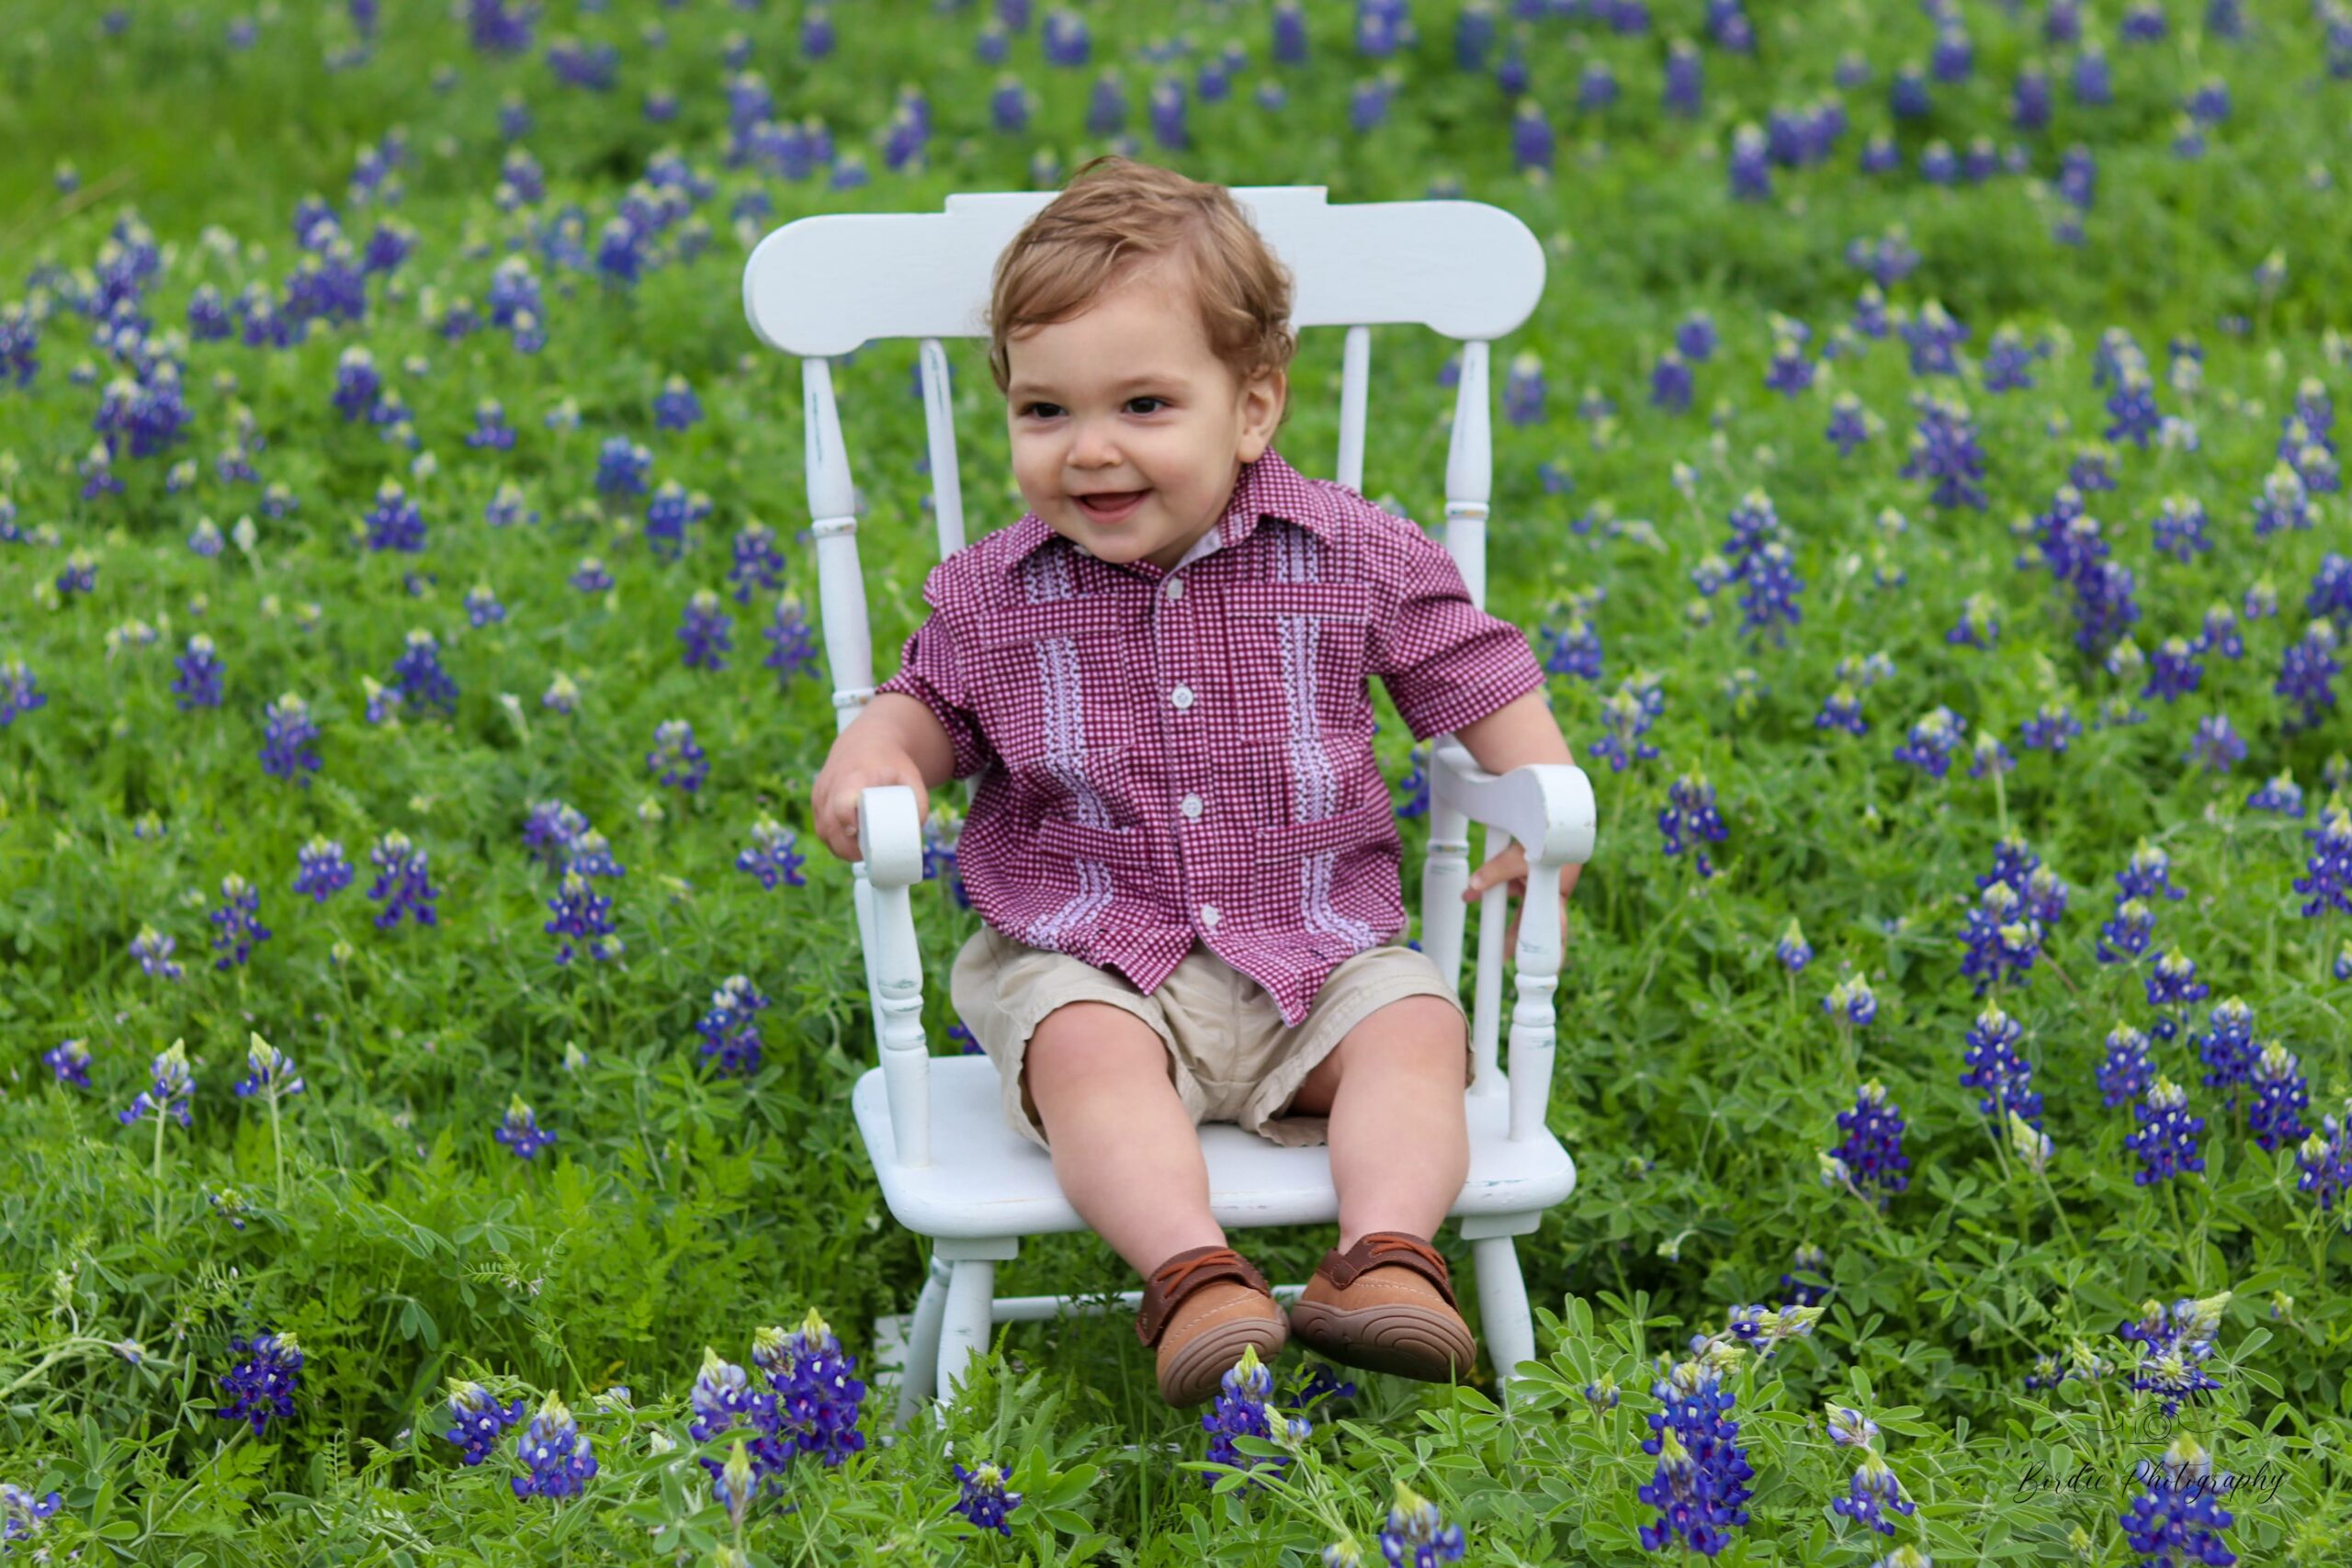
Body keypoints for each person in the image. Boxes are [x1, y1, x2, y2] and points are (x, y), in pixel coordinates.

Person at [811, 154, 1581, 1407]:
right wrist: (879, 751)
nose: (1091, 450)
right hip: (1095, 958)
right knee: (1081, 1054)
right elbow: (927, 704)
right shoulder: (995, 593)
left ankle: (1386, 1259)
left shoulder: (1351, 552)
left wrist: (1542, 798)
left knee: (1419, 1029)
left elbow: (1471, 665)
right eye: (1044, 412)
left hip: (1316, 952)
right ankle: (1194, 1278)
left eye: (1145, 406)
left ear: (1254, 407)